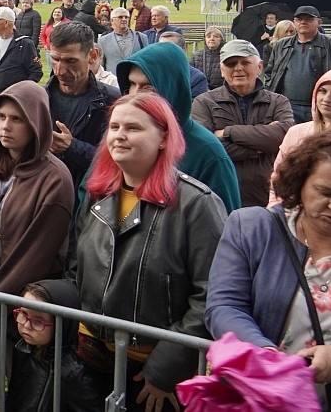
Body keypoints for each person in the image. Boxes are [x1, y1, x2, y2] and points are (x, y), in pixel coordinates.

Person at [73, 92, 226, 412]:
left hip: (151, 379)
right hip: (92, 363)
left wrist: (166, 369)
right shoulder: (99, 194)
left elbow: (211, 297)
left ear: (163, 138)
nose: (119, 135)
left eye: (133, 128)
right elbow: (77, 266)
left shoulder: (197, 204)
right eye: (114, 127)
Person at [206, 133, 331, 403]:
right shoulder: (252, 227)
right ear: (300, 183)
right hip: (262, 397)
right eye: (325, 192)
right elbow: (224, 306)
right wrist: (263, 352)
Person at [0, 80, 73, 295]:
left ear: (35, 123)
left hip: (24, 304)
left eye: (17, 119)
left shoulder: (55, 178)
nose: (5, 126)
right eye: (1, 117)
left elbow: (37, 253)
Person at [113, 42, 241, 213]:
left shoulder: (207, 153)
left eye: (148, 87)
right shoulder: (119, 138)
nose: (135, 96)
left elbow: (224, 228)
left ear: (172, 88)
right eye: (131, 85)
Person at [191, 39, 294, 208]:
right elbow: (206, 148)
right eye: (231, 63)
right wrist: (261, 146)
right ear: (222, 70)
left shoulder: (278, 102)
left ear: (259, 67)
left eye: (245, 62)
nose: (238, 68)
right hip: (220, 194)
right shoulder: (204, 102)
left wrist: (228, 132)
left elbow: (285, 137)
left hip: (268, 195)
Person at [6, 280, 107, 412]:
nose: (26, 325)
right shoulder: (23, 348)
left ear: (62, 324)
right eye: (23, 314)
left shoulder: (75, 374)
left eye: (38, 321)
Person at [45, 22, 120, 188]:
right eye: (55, 59)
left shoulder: (112, 102)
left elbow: (119, 160)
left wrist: (72, 148)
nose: (60, 70)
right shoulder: (39, 99)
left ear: (92, 56)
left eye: (71, 61)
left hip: (89, 197)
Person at [264, 6, 331, 124]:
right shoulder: (281, 45)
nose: (303, 22)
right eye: (299, 19)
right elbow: (270, 72)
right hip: (288, 106)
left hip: (321, 106)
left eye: (309, 19)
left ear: (319, 22)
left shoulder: (329, 44)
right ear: (294, 22)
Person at [0, 7, 42, 95]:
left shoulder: (24, 44)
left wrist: (22, 92)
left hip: (13, 100)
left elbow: (36, 72)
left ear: (6, 23)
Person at [97, 7, 146, 72]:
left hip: (135, 79)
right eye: (120, 17)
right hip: (114, 80)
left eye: (126, 17)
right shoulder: (103, 40)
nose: (124, 19)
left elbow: (146, 61)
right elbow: (101, 64)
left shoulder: (141, 37)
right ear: (112, 20)